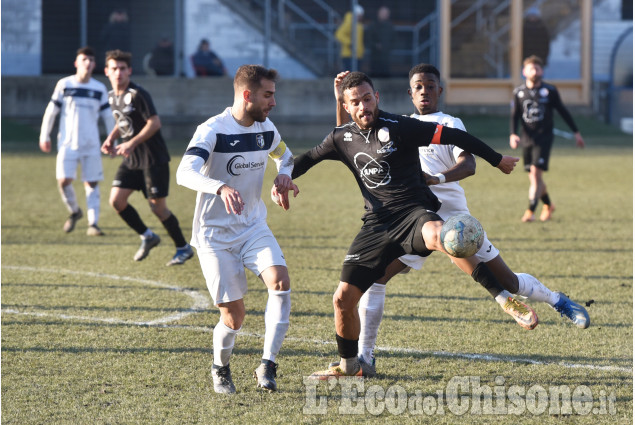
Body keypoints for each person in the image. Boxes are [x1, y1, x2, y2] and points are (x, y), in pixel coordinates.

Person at [326, 65, 591, 373]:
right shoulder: (399, 125)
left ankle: (556, 301)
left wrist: (435, 179)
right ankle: (366, 358)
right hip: (408, 219)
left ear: (441, 90)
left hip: (455, 219)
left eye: (430, 85)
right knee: (375, 278)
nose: (424, 90)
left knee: (509, 279)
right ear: (409, 93)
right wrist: (338, 100)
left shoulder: (450, 123)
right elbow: (349, 138)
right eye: (418, 86)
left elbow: (469, 164)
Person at [275, 71, 530, 379]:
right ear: (346, 105)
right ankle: (349, 365)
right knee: (343, 300)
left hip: (414, 213)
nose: (363, 107)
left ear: (377, 97)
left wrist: (496, 158)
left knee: (443, 236)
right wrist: (284, 178)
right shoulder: (340, 138)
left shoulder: (402, 127)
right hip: (376, 225)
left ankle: (504, 299)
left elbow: (456, 137)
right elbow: (306, 159)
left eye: (368, 99)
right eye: (355, 102)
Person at [175, 64, 298, 394]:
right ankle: (220, 366)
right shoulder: (212, 130)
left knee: (281, 281)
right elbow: (183, 173)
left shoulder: (266, 128)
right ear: (248, 95)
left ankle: (267, 365)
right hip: (215, 235)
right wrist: (219, 187)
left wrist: (284, 176)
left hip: (253, 225)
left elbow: (286, 157)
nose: (273, 102)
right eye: (268, 95)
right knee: (234, 318)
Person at [101, 50, 193, 266]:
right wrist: (111, 138)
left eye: (122, 69)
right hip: (132, 160)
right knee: (116, 201)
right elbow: (122, 120)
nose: (118, 73)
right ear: (106, 72)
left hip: (153, 159)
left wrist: (130, 143)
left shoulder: (138, 94)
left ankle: (183, 247)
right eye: (114, 69)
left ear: (129, 71)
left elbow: (154, 122)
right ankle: (148, 236)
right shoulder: (112, 96)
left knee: (158, 208)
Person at [39, 46, 115, 236]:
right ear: (76, 63)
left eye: (91, 60)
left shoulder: (99, 88)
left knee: (91, 182)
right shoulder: (64, 84)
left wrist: (112, 139)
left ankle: (93, 224)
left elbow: (108, 117)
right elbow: (51, 111)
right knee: (64, 181)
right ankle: (75, 211)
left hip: (91, 144)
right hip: (67, 143)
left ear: (94, 64)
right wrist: (44, 135)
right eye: (84, 60)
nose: (88, 63)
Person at [510, 55, 585, 222]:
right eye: (531, 68)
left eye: (537, 68)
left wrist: (576, 132)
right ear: (524, 72)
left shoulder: (550, 91)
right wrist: (513, 134)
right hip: (527, 139)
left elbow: (563, 111)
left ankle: (530, 211)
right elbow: (515, 116)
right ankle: (549, 205)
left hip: (544, 138)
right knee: (535, 177)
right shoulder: (519, 92)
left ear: (542, 71)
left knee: (536, 174)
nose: (535, 71)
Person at [334, 5, 365, 71]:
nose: (361, 17)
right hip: (349, 54)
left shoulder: (357, 24)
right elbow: (339, 34)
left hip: (357, 54)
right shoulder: (349, 23)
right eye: (360, 15)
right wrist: (349, 43)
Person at [368, 6, 394, 78]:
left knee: (385, 72)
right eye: (383, 13)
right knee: (375, 73)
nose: (384, 15)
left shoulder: (390, 26)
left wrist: (388, 46)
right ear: (378, 14)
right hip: (375, 54)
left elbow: (393, 39)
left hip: (386, 54)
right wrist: (375, 45)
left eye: (386, 13)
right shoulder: (373, 25)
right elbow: (368, 39)